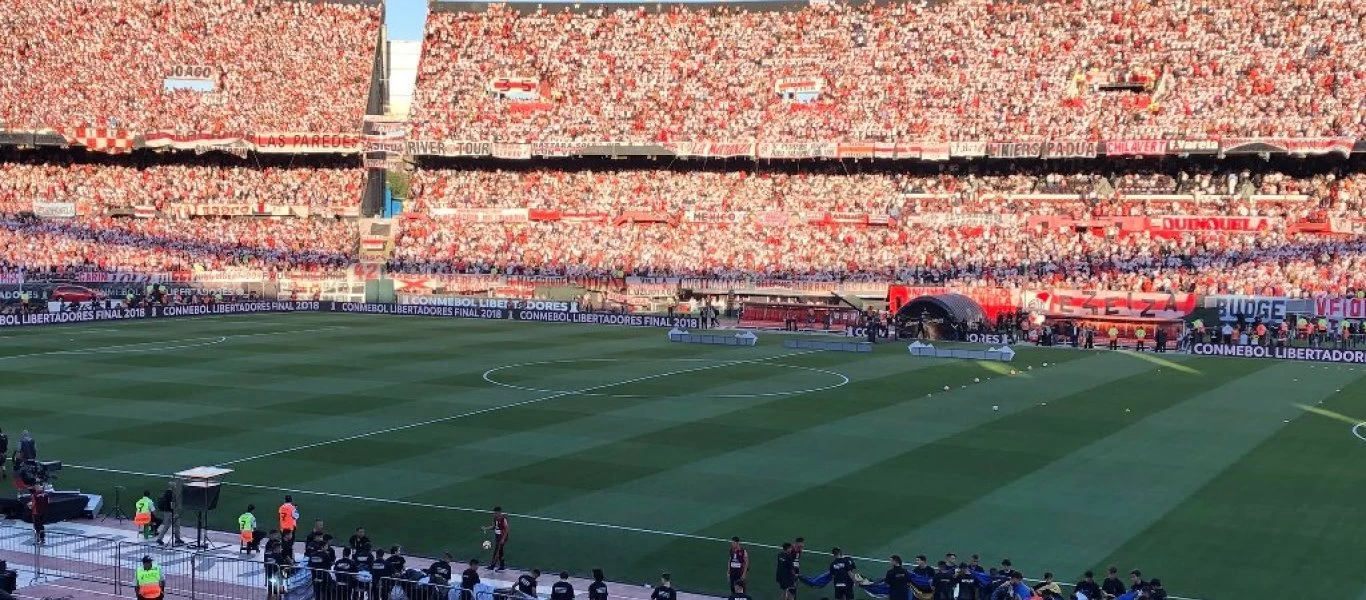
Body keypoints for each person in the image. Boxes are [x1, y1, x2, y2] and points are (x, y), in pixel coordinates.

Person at [482, 506, 509, 571]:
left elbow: (506, 529)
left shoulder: (503, 519)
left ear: (500, 512)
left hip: (502, 537)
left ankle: (492, 566)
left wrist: (503, 539)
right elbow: (493, 526)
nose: (495, 514)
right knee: (500, 552)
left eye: (496, 513)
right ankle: (502, 566)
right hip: (497, 537)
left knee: (497, 551)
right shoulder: (495, 518)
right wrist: (486, 528)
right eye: (494, 513)